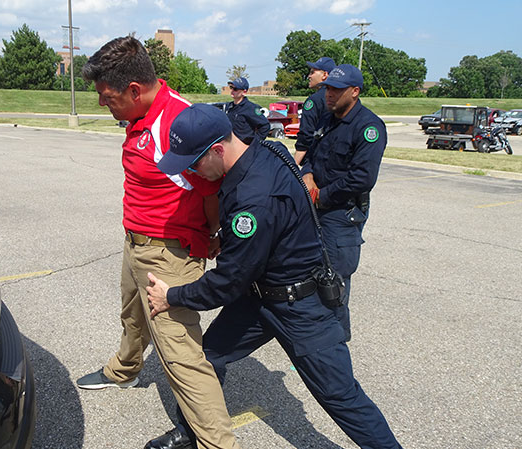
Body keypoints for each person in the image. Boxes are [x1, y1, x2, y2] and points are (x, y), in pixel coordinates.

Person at [145, 103, 402, 449]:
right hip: (260, 295)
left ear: (218, 150)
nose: (192, 172)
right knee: (207, 358)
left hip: (302, 307)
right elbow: (269, 227)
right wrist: (232, 238)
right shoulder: (268, 149)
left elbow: (226, 282)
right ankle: (193, 431)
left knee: (341, 396)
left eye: (193, 163)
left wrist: (171, 296)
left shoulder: (254, 200)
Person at [75, 36, 240, 449]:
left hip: (169, 252)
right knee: (132, 316)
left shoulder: (178, 122)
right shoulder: (139, 115)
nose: (101, 105)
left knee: (180, 354)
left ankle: (219, 443)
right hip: (136, 241)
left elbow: (215, 186)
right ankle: (124, 368)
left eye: (107, 97)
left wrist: (214, 235)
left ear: (134, 90)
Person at [301, 63, 387, 342]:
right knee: (309, 274)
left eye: (337, 90)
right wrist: (308, 175)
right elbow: (310, 154)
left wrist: (321, 196)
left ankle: (336, 345)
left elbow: (362, 178)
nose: (329, 95)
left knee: (332, 284)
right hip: (316, 209)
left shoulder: (368, 127)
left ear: (355, 91)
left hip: (341, 213)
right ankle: (318, 340)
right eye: (328, 89)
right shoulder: (327, 118)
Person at [294, 56, 336, 165]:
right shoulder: (340, 99)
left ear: (325, 75)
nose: (309, 76)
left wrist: (294, 165)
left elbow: (305, 136)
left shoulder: (314, 101)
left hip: (316, 160)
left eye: (312, 72)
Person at [225, 77, 270, 144]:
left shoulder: (252, 108)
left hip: (244, 148)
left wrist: (254, 143)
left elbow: (265, 126)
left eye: (235, 89)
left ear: (244, 92)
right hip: (230, 147)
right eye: (231, 87)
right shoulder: (228, 107)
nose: (232, 91)